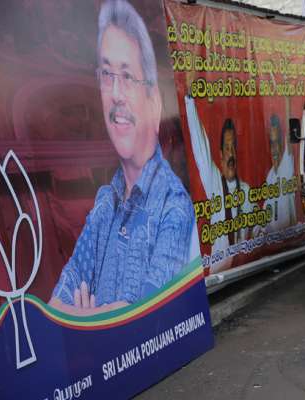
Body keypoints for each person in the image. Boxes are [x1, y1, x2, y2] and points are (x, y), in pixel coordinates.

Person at [50, 0, 195, 316]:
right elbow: (57, 307)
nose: (115, 93)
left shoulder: (173, 206)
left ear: (154, 101)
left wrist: (88, 315)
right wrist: (100, 316)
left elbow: (143, 319)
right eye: (106, 75)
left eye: (127, 77)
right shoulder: (105, 203)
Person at [184, 96, 253, 272]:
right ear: (221, 155)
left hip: (241, 268)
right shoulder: (215, 182)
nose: (231, 154)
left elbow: (257, 229)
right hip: (219, 270)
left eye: (233, 149)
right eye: (227, 149)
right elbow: (201, 148)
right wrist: (190, 101)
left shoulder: (245, 191)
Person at [264, 115, 296, 232]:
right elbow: (266, 215)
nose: (275, 148)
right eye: (272, 143)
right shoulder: (270, 176)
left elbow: (288, 133)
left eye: (278, 142)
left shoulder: (286, 165)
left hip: (289, 238)